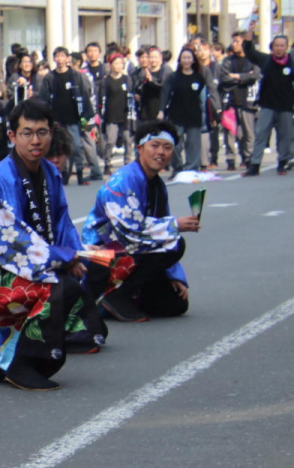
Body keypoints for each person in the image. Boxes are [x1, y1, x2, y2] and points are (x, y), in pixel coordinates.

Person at [0, 98, 108, 392]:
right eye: (27, 133)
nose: (35, 140)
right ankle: (18, 365)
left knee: (93, 270)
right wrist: (61, 258)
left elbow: (61, 220)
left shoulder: (51, 172)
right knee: (55, 286)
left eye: (42, 132)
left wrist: (73, 257)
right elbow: (7, 239)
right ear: (12, 136)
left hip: (36, 259)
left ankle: (20, 358)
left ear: (52, 134)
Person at [82, 121, 197, 322]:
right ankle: (118, 297)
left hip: (132, 254)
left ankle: (123, 297)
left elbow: (158, 229)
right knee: (175, 242)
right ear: (140, 149)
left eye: (167, 147)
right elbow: (130, 231)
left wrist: (175, 276)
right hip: (102, 257)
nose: (160, 152)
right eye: (155, 145)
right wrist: (175, 225)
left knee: (175, 304)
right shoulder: (122, 180)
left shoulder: (157, 185)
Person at [241, 31, 294, 177]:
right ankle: (255, 165)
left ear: (286, 47)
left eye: (282, 46)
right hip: (267, 105)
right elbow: (250, 52)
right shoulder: (266, 60)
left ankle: (282, 163)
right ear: (272, 47)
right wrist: (249, 36)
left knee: (286, 136)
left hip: (286, 106)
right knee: (260, 135)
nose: (279, 48)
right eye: (276, 45)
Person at [39, 46, 99, 185]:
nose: (59, 59)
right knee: (58, 148)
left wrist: (86, 115)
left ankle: (79, 174)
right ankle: (62, 175)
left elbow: (85, 95)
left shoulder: (76, 75)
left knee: (77, 146)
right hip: (56, 119)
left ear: (67, 58)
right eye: (57, 56)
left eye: (62, 56)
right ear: (54, 58)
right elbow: (44, 98)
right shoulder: (49, 77)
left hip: (73, 117)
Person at [158, 47, 218, 173]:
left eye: (189, 57)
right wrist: (161, 110)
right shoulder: (173, 77)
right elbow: (165, 94)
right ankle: (178, 168)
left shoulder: (199, 78)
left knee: (193, 145)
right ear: (180, 59)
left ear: (193, 60)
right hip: (176, 115)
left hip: (194, 115)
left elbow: (203, 99)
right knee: (174, 144)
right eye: (184, 57)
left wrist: (207, 114)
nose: (186, 60)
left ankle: (192, 168)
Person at [217, 32, 260, 172]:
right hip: (230, 101)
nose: (234, 44)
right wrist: (243, 77)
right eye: (233, 41)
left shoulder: (252, 60)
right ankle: (230, 159)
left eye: (237, 41)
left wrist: (236, 76)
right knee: (229, 131)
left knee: (248, 133)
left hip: (248, 101)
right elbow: (224, 78)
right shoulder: (227, 61)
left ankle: (248, 158)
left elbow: (254, 76)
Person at [97, 53, 136, 169]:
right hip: (111, 115)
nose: (119, 66)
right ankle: (107, 162)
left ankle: (128, 163)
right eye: (116, 63)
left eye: (121, 63)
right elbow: (101, 98)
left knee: (127, 140)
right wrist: (101, 114)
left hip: (125, 114)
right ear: (110, 65)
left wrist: (131, 112)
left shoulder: (126, 79)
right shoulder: (106, 81)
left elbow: (130, 96)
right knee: (111, 141)